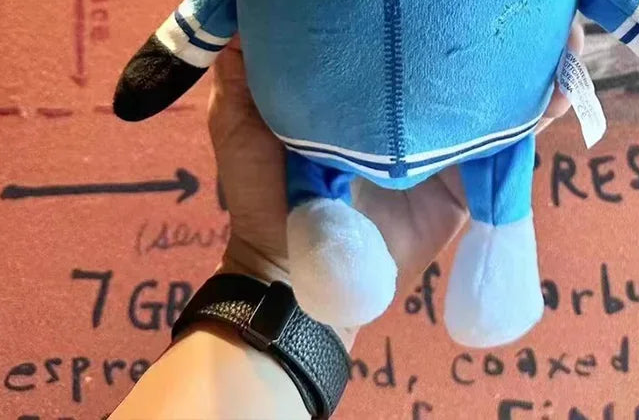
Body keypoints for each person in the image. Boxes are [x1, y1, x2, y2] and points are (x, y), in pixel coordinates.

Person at [111, 24, 582, 419]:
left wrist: (271, 269)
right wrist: (276, 271)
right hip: (328, 132)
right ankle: (501, 237)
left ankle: (501, 233)